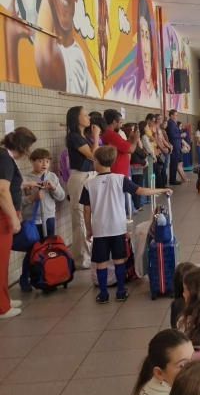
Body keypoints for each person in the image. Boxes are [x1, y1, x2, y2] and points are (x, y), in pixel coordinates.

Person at [80, 146, 172, 304]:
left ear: (96, 161)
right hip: (118, 228)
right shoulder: (120, 179)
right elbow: (140, 191)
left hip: (100, 229)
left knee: (101, 262)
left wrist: (89, 229)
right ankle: (121, 291)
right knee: (119, 260)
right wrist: (162, 190)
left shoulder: (89, 184)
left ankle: (103, 294)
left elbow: (86, 210)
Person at [0, 127, 37, 318]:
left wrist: (24, 183)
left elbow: (8, 184)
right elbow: (2, 190)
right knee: (1, 261)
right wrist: (13, 218)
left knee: (4, 260)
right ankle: (2, 307)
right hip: (3, 216)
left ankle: (4, 299)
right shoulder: (5, 158)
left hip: (5, 214)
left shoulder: (3, 155)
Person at [20, 148, 65, 291]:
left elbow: (61, 196)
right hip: (32, 221)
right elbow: (18, 201)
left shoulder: (52, 176)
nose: (44, 164)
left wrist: (53, 187)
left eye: (47, 161)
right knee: (32, 250)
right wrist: (32, 197)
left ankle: (48, 277)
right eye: (40, 161)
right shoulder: (24, 179)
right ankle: (25, 278)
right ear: (31, 161)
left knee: (48, 248)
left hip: (49, 218)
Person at [66, 106, 100, 269]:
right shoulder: (73, 136)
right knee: (80, 217)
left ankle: (91, 253)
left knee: (90, 217)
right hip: (81, 177)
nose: (88, 118)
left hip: (90, 176)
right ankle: (82, 259)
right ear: (76, 118)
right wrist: (96, 135)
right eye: (85, 115)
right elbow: (93, 155)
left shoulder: (83, 136)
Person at [166, 110, 182, 186]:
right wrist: (180, 135)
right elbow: (172, 134)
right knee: (173, 163)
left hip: (177, 145)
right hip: (174, 145)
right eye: (175, 115)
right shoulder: (170, 123)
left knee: (175, 163)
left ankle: (174, 178)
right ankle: (172, 179)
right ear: (171, 115)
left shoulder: (174, 123)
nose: (177, 116)